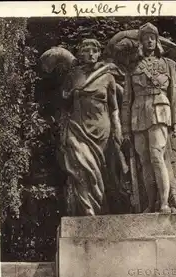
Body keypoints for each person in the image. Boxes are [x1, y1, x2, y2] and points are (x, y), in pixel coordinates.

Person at [121, 23, 176, 214]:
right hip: (138, 115)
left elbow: (174, 95)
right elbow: (126, 100)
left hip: (160, 112)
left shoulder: (168, 65)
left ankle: (164, 202)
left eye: (153, 38)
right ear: (140, 41)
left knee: (157, 155)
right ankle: (152, 202)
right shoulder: (133, 67)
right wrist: (124, 128)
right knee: (145, 160)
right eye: (146, 37)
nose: (150, 41)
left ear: (157, 41)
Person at [61, 38, 123, 215]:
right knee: (81, 165)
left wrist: (117, 128)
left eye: (94, 51)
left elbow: (114, 108)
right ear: (80, 53)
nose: (90, 54)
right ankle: (88, 210)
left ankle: (99, 206)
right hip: (77, 126)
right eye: (86, 50)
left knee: (98, 170)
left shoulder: (108, 76)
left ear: (99, 53)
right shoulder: (73, 76)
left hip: (101, 128)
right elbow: (64, 105)